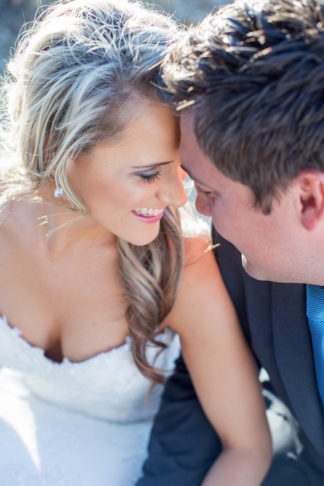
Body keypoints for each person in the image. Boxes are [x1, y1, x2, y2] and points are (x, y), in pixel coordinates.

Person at [0, 0, 272, 485]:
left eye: (179, 168)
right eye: (148, 174)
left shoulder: (182, 264)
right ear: (57, 151)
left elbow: (247, 449)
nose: (175, 197)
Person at [136, 0, 324, 484]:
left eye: (211, 192)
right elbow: (201, 380)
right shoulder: (243, 255)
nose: (197, 209)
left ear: (308, 199)